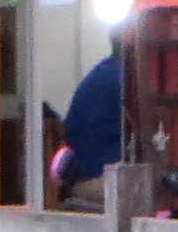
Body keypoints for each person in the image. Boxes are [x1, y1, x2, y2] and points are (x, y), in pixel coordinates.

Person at [52, 50, 125, 208]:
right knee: (164, 188)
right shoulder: (122, 77)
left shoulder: (104, 71)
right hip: (98, 180)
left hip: (83, 177)